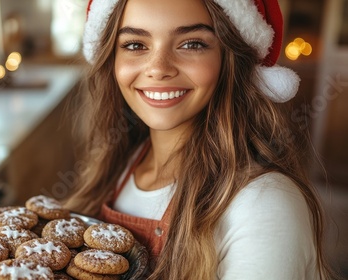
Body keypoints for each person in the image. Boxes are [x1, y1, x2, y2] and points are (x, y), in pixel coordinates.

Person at [63, 0, 339, 279]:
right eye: (135, 45)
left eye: (192, 43)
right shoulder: (121, 164)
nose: (158, 69)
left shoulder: (264, 204)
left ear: (230, 57)